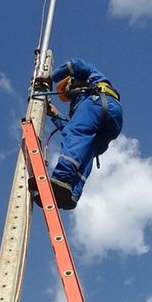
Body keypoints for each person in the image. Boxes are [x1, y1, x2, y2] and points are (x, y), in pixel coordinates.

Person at [33, 57, 123, 210]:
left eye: (66, 92)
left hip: (98, 101)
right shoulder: (81, 101)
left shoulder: (87, 77)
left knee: (76, 134)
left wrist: (51, 77)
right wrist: (55, 114)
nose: (68, 96)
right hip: (113, 116)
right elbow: (76, 132)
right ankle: (72, 192)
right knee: (87, 149)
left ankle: (62, 177)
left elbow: (76, 63)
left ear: (69, 81)